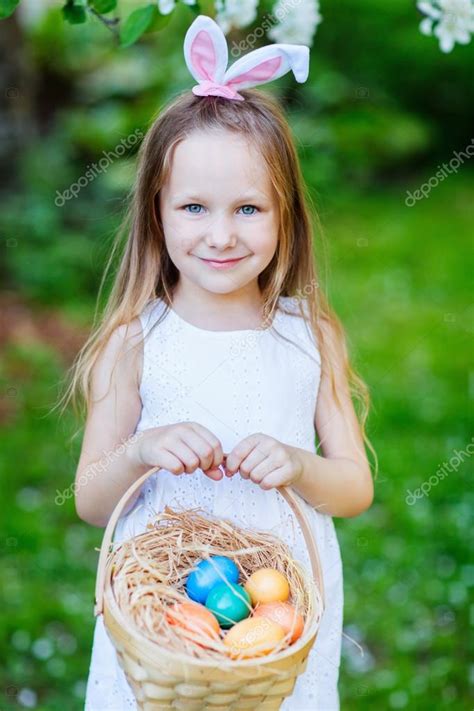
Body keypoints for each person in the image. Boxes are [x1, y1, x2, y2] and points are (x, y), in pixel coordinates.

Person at [62, 15, 375, 711]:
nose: (222, 235)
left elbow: (354, 487)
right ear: (158, 213)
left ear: (285, 215)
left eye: (248, 209)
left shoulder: (308, 334)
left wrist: (300, 463)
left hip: (282, 611)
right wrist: (142, 449)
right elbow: (90, 501)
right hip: (163, 615)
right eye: (195, 207)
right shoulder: (138, 340)